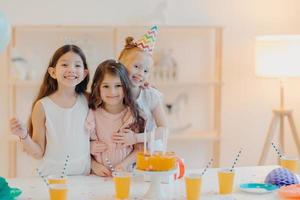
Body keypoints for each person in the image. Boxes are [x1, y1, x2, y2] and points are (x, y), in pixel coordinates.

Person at [9, 44, 91, 176]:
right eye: (64, 65)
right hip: (52, 177)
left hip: (84, 175)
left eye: (77, 65)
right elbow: (38, 152)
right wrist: (23, 135)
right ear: (53, 72)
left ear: (84, 73)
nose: (71, 69)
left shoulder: (88, 100)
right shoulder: (42, 106)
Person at [86, 59, 145, 177]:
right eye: (106, 86)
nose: (112, 92)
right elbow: (80, 146)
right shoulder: (92, 115)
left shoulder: (133, 115)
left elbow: (140, 149)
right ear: (98, 87)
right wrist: (93, 162)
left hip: (126, 176)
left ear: (126, 87)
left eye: (118, 85)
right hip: (97, 177)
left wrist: (123, 165)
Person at [113, 25, 168, 148]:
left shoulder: (149, 95)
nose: (140, 73)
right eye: (136, 67)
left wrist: (135, 138)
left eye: (146, 71)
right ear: (120, 63)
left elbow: (163, 129)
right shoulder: (112, 93)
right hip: (123, 156)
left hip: (150, 154)